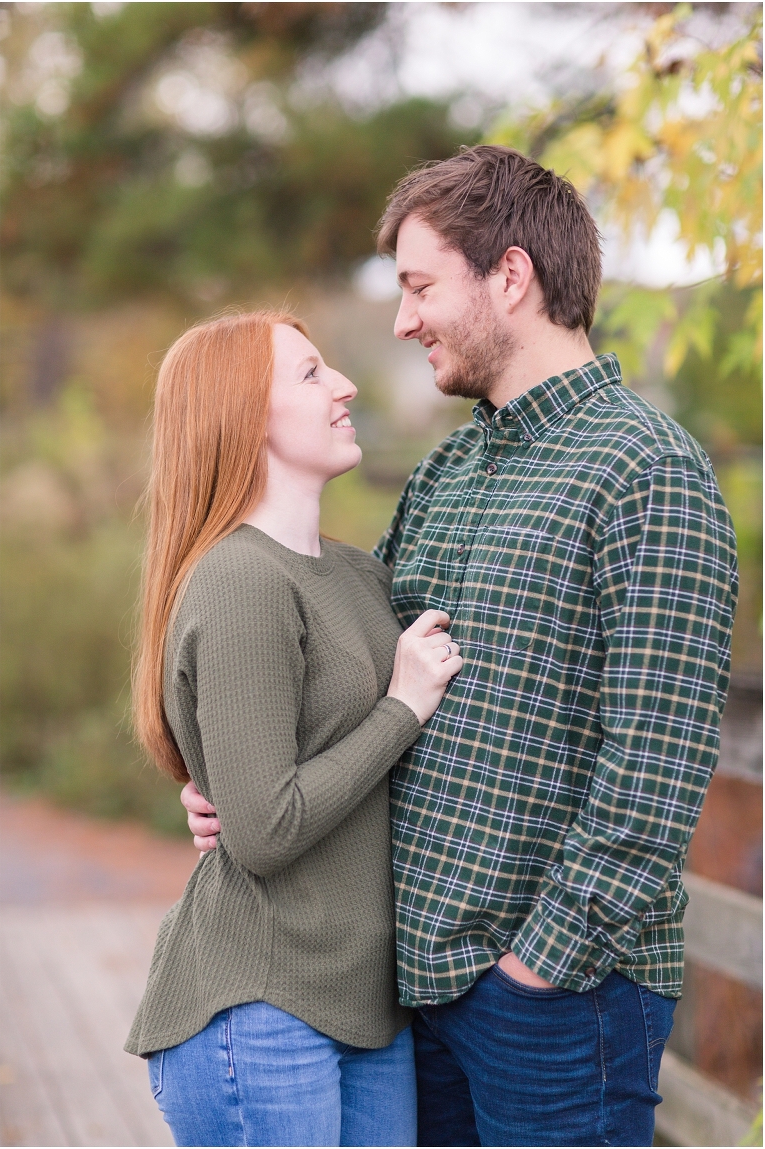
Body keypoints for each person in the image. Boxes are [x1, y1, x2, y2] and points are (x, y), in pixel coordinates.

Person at [186, 147, 738, 1148]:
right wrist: (241, 769)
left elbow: (655, 767)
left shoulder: (647, 471)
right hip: (417, 986)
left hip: (558, 999)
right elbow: (354, 669)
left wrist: (537, 969)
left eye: (420, 286)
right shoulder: (450, 470)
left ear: (512, 277)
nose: (402, 321)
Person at [125, 309, 464, 1148]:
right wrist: (403, 708)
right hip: (260, 1004)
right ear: (244, 417)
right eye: (312, 374)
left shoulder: (356, 573)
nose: (346, 384)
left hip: (366, 1008)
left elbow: (281, 769)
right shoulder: (240, 579)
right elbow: (267, 829)